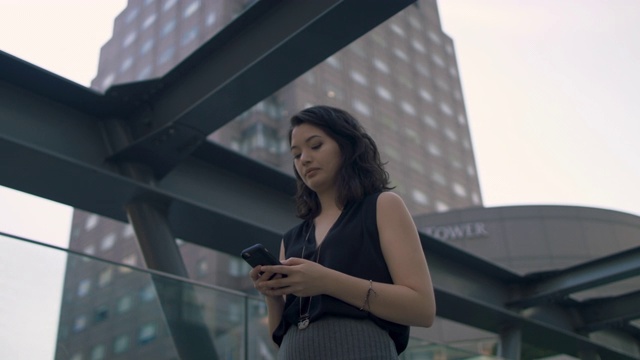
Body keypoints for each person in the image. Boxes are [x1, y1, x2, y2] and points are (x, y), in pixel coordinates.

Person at [250, 105, 435, 359]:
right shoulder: (292, 238)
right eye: (296, 154)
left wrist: (326, 281)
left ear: (346, 146)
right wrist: (272, 297)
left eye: (315, 146)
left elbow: (422, 309)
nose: (304, 159)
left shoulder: (383, 206)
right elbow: (280, 338)